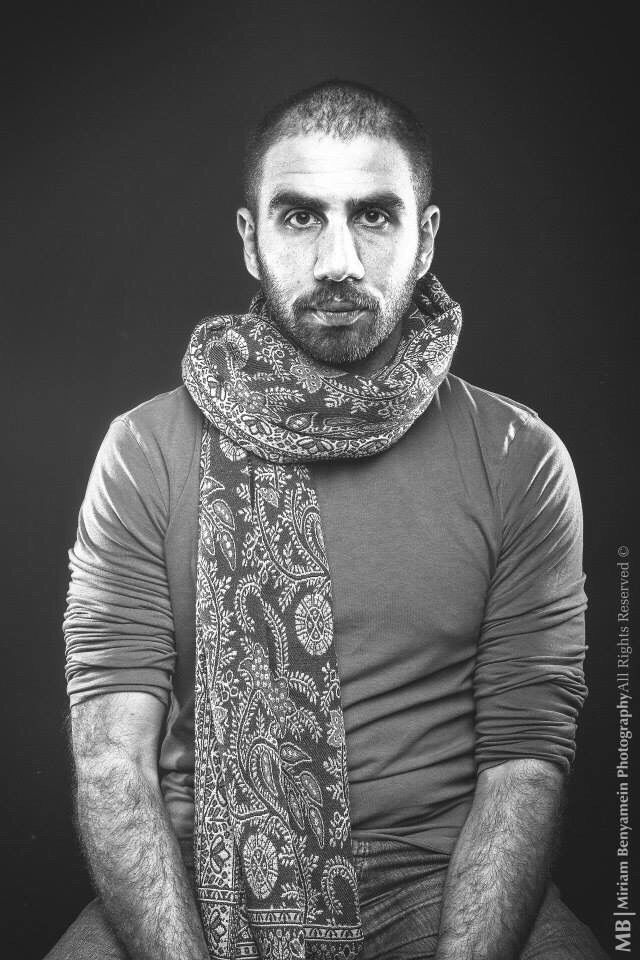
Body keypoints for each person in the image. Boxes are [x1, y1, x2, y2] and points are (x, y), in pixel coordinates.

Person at [49, 80, 608, 960]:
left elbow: (525, 761)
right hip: (194, 876)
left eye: (375, 216)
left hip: (439, 877)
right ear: (251, 239)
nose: (338, 260)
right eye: (301, 216)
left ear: (427, 238)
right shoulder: (145, 450)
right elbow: (111, 763)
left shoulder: (518, 456)